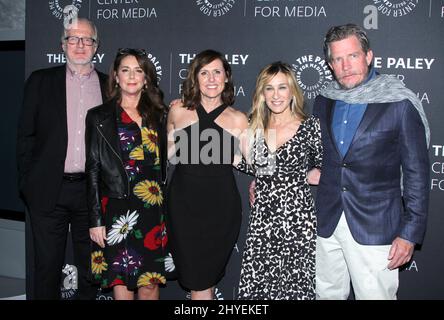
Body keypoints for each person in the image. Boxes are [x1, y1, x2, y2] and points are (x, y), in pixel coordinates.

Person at [313, 23, 430, 300]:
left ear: (368, 56)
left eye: (352, 56)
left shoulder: (398, 102)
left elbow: (416, 174)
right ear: (330, 64)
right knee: (325, 295)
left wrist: (409, 233)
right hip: (327, 222)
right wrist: (269, 178)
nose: (346, 65)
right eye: (338, 59)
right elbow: (311, 155)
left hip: (376, 226)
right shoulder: (324, 100)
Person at [16, 17, 107, 300]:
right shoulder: (41, 81)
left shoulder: (110, 86)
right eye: (73, 38)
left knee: (92, 271)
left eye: (87, 39)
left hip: (92, 193)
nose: (80, 45)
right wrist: (28, 184)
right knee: (46, 270)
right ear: (62, 44)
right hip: (47, 190)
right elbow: (25, 138)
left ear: (96, 46)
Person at [86, 48, 171, 300]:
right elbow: (92, 169)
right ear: (116, 76)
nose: (132, 76)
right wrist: (95, 220)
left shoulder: (160, 115)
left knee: (149, 284)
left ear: (146, 78)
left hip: (152, 209)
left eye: (138, 70)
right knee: (121, 282)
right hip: (116, 208)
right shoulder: (98, 116)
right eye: (125, 70)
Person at [166, 49, 248, 300]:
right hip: (183, 207)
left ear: (226, 77)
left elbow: (254, 163)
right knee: (197, 280)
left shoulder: (239, 119)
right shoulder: (177, 110)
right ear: (195, 78)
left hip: (220, 210)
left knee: (203, 280)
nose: (211, 79)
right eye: (204, 72)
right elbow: (169, 157)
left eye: (217, 72)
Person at [236, 62, 322, 300]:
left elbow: (327, 168)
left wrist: (299, 177)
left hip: (298, 220)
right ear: (262, 93)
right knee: (259, 290)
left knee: (295, 288)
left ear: (293, 91)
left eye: (282, 88)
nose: (276, 95)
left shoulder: (309, 126)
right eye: (269, 88)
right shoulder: (253, 125)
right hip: (263, 220)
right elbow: (249, 164)